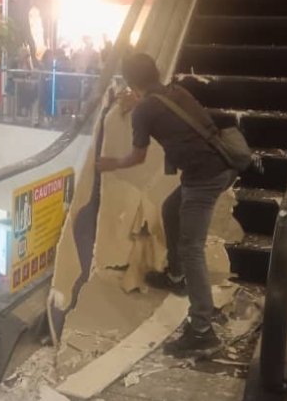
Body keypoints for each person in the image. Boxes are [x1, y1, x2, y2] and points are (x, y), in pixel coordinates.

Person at [97, 53, 236, 355]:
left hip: (205, 177)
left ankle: (202, 330)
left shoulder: (145, 109)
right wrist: (139, 105)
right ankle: (175, 275)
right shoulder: (174, 91)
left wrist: (108, 163)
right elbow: (164, 111)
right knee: (170, 210)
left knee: (192, 248)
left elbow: (137, 157)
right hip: (218, 166)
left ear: (132, 82)